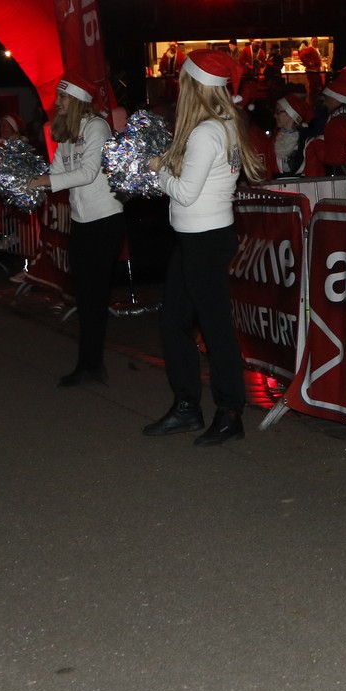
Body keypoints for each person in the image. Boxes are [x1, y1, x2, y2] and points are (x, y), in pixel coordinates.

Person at [142, 49, 267, 446]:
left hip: (203, 238)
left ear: (195, 86)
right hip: (201, 237)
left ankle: (229, 413)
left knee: (214, 328)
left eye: (183, 81)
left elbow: (184, 192)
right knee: (175, 320)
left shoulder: (205, 132)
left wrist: (157, 169)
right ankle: (187, 406)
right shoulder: (223, 123)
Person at [25, 74, 124, 386]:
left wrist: (43, 181)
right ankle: (89, 364)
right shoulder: (67, 131)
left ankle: (90, 365)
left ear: (79, 100)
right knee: (84, 295)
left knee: (95, 295)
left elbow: (88, 172)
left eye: (63, 97)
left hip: (105, 219)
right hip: (82, 220)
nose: (57, 102)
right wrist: (27, 181)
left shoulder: (97, 127)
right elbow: (57, 171)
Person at [301, 65, 346, 176]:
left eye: (327, 98)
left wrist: (316, 142)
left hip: (343, 177)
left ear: (336, 99)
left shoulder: (336, 123)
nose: (325, 102)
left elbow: (334, 158)